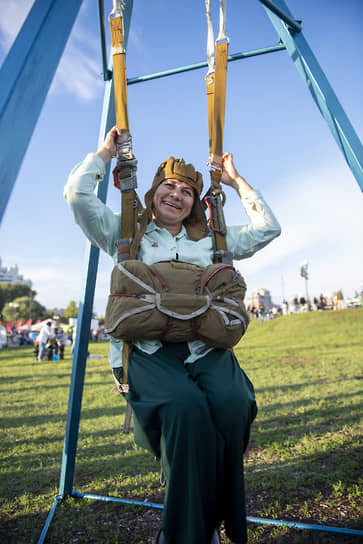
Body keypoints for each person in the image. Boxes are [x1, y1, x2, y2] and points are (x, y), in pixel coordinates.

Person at [64, 126, 281, 544]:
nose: (176, 194)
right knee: (185, 411)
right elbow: (77, 196)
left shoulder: (214, 239)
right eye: (168, 185)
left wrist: (236, 182)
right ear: (152, 193)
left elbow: (268, 228)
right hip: (149, 351)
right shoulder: (127, 231)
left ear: (196, 202)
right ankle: (184, 532)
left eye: (186, 190)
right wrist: (104, 155)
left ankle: (215, 515)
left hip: (206, 348)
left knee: (235, 406)